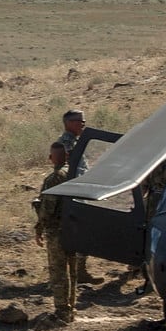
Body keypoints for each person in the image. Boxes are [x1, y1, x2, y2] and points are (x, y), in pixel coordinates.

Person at [34, 141, 81, 324]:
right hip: (74, 228)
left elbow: (48, 208)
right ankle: (71, 308)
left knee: (58, 271)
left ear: (51, 158)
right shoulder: (75, 173)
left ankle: (62, 311)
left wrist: (39, 227)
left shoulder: (54, 178)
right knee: (73, 271)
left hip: (56, 230)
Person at [57, 109, 102, 284]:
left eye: (83, 121)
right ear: (68, 123)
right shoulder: (65, 144)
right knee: (79, 232)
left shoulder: (77, 142)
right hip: (73, 194)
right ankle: (77, 272)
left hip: (80, 191)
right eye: (79, 121)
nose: (83, 124)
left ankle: (79, 271)